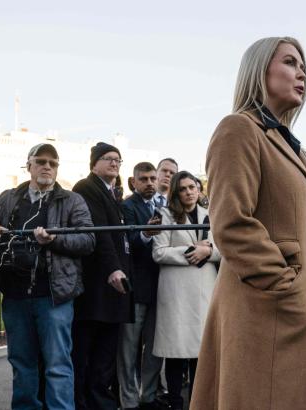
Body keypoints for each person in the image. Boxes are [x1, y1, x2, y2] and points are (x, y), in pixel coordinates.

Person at [191, 37, 306, 409]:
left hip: (302, 312)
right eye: (290, 62)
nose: (301, 73)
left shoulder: (295, 148)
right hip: (266, 312)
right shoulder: (238, 129)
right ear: (260, 71)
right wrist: (286, 286)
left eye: (304, 66)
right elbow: (231, 223)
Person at [0, 144, 95, 409]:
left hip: (54, 296)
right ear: (29, 165)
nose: (47, 167)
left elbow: (88, 240)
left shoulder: (71, 200)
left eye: (53, 163)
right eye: (41, 161)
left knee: (58, 365)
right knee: (22, 365)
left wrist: (54, 240)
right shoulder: (7, 198)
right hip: (14, 295)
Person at [72, 142, 135, 409]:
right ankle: (84, 403)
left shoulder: (111, 192)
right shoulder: (86, 188)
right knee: (86, 354)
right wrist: (113, 269)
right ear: (94, 163)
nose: (114, 163)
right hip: (97, 286)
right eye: (108, 158)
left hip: (112, 289)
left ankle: (100, 403)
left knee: (105, 356)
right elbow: (99, 231)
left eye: (118, 160)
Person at [151, 171, 220, 410]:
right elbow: (158, 252)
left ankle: (199, 403)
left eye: (193, 187)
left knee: (201, 353)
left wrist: (208, 251)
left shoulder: (210, 214)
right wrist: (193, 250)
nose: (189, 192)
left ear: (199, 189)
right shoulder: (165, 215)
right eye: (183, 188)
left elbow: (223, 249)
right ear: (176, 192)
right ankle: (175, 403)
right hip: (177, 292)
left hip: (204, 290)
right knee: (176, 351)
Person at [117, 162, 165, 410]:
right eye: (143, 179)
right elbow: (126, 245)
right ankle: (128, 401)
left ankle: (148, 396)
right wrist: (146, 233)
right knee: (128, 349)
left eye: (152, 178)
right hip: (136, 288)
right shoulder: (126, 206)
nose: (149, 183)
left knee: (156, 347)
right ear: (133, 182)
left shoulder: (164, 206)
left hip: (162, 288)